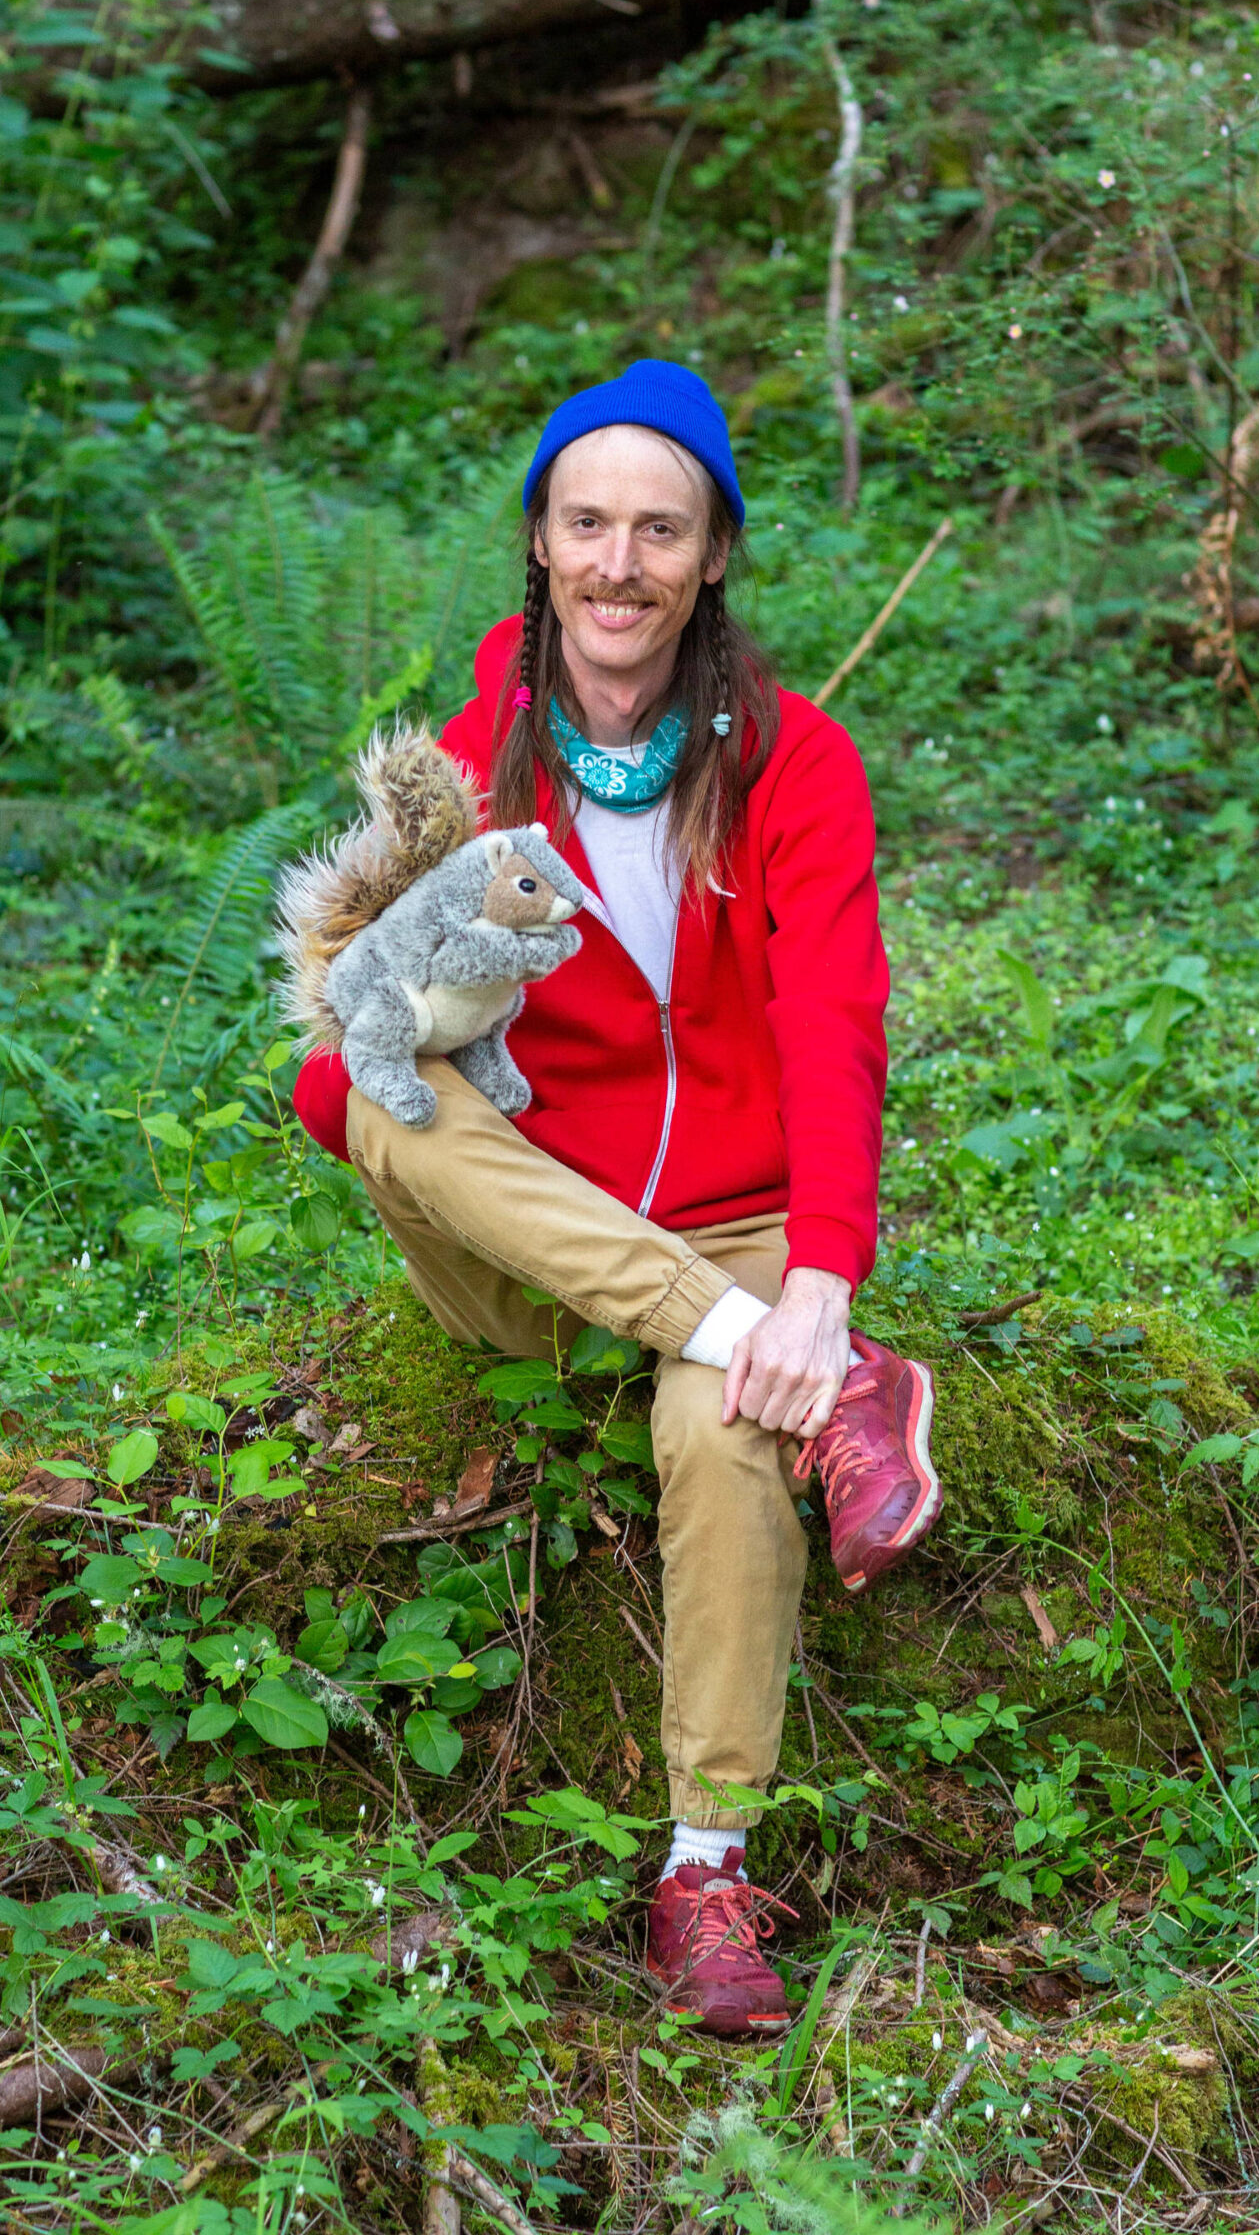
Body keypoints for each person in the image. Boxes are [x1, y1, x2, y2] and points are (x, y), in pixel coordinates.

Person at [293, 359, 941, 2036]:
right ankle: (808, 1380)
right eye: (588, 523)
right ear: (540, 540)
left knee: (726, 1431)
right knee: (378, 1102)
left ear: (713, 556)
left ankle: (704, 1872)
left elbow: (833, 1021)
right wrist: (765, 1328)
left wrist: (817, 1278)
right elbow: (341, 1042)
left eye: (662, 529)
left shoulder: (796, 765)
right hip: (536, 1234)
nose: (620, 563)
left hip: (728, 1220)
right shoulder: (470, 762)